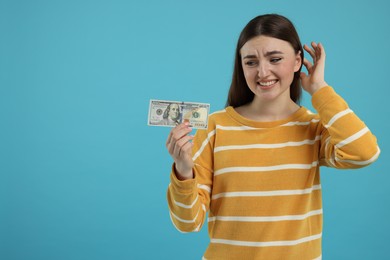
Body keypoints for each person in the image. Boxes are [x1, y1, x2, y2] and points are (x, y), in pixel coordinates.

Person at [165, 14, 380, 259]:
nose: (263, 72)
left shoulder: (313, 128)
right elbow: (188, 223)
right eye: (251, 62)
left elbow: (364, 153)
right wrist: (183, 169)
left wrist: (320, 89)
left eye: (275, 59)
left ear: (298, 60)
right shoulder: (215, 127)